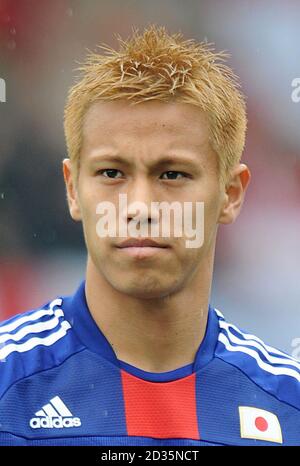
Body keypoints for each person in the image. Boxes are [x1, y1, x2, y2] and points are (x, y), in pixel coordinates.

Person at [0, 25, 299, 446]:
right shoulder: (8, 383)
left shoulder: (288, 404)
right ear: (72, 189)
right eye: (111, 173)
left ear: (230, 195)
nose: (139, 207)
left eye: (172, 174)